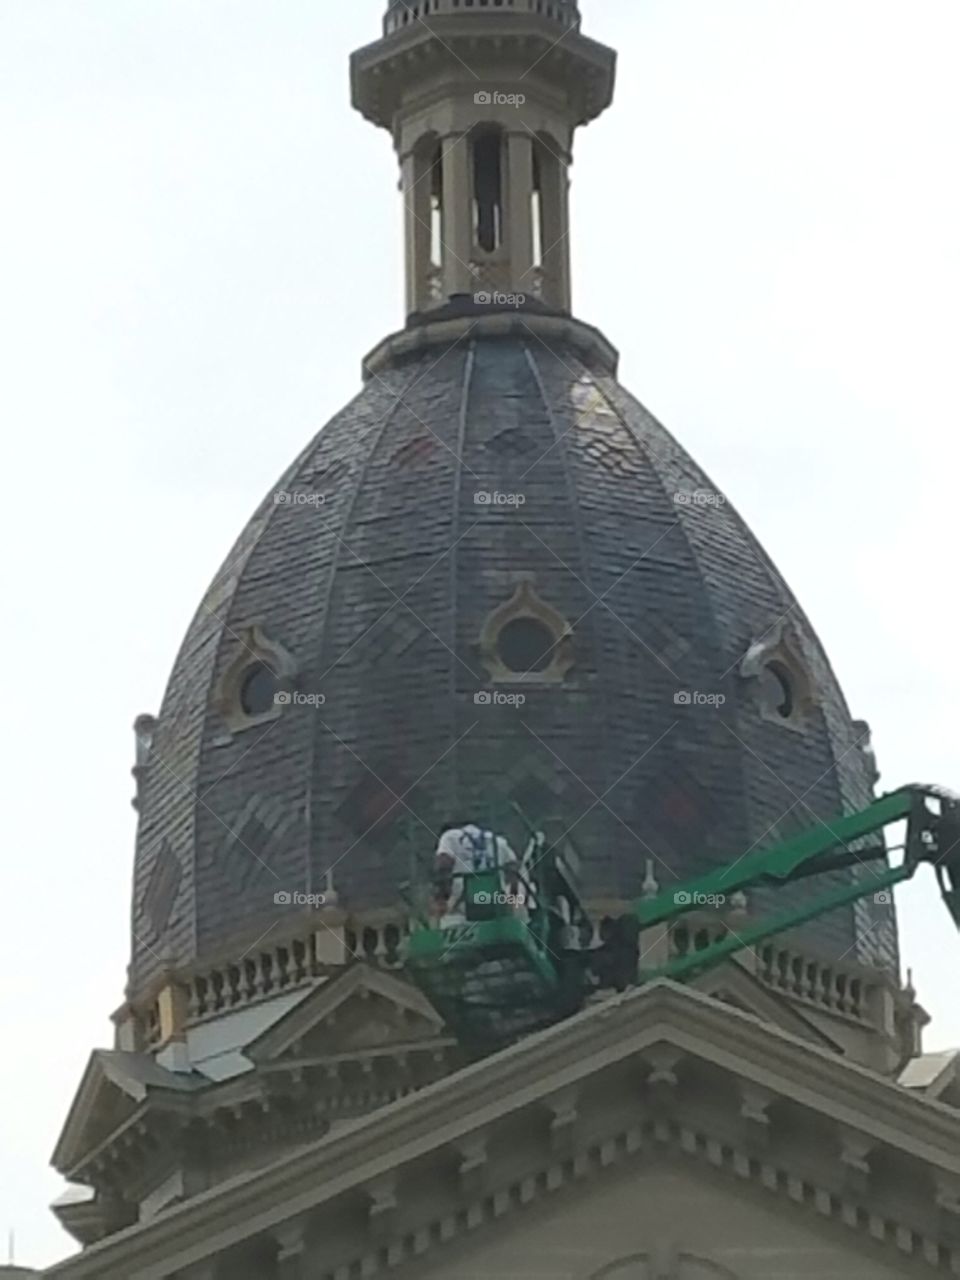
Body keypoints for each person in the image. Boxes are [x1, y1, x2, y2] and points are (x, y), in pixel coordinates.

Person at [432, 822, 521, 922]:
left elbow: (443, 865)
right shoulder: (498, 840)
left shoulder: (449, 836)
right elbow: (513, 869)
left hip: (463, 906)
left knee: (447, 922)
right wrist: (512, 901)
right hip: (497, 905)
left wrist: (441, 898)